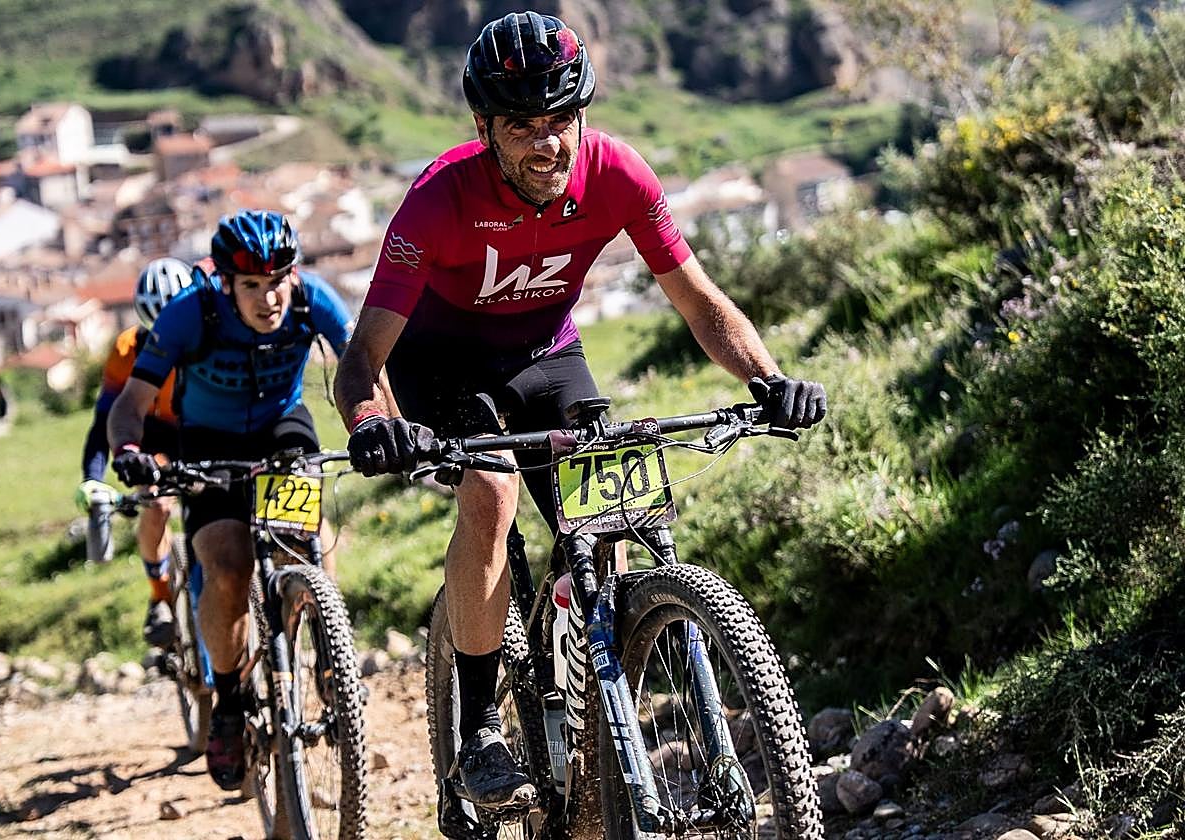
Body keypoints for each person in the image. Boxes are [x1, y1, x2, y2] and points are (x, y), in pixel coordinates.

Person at [333, 10, 827, 809]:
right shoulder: (438, 200)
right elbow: (360, 361)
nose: (547, 144)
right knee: (490, 493)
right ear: (484, 127)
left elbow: (700, 304)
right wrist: (371, 423)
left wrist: (769, 379)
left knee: (614, 515)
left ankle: (602, 713)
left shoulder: (620, 175)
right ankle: (479, 734)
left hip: (545, 355)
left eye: (561, 120)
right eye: (522, 125)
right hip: (445, 365)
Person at [106, 210, 353, 790]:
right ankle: (231, 699)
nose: (269, 298)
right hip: (208, 442)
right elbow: (130, 402)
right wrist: (128, 450)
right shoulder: (190, 313)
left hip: (281, 426)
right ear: (225, 283)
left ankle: (325, 652)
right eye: (251, 285)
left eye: (277, 281)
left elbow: (363, 368)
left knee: (302, 543)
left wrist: (380, 424)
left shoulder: (313, 299)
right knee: (226, 568)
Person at [76, 257, 194, 647]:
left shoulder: (206, 342)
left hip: (196, 427)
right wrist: (93, 478)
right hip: (150, 433)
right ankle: (159, 597)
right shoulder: (126, 350)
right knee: (155, 503)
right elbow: (103, 421)